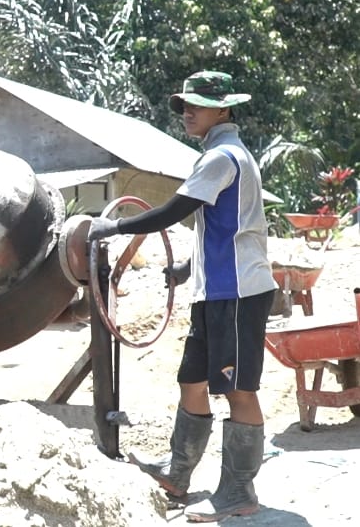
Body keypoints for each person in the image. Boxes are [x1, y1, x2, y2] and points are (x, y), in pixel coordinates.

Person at [87, 71, 277, 522]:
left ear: (224, 109)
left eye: (197, 105)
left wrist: (113, 226)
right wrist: (188, 269)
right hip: (216, 291)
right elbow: (220, 227)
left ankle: (238, 492)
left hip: (238, 292)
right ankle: (178, 472)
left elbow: (174, 211)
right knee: (191, 380)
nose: (187, 113)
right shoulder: (221, 156)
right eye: (185, 105)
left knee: (238, 390)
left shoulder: (222, 158)